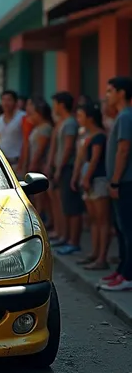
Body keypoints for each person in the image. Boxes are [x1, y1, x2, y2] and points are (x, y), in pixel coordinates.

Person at [101, 76, 132, 291]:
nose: (107, 95)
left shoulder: (126, 117)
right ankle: (122, 270)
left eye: (110, 91)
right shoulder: (121, 116)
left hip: (125, 182)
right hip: (122, 182)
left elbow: (123, 149)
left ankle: (128, 275)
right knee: (121, 229)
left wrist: (115, 181)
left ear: (121, 93)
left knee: (127, 229)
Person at [75, 102, 110, 270]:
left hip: (98, 179)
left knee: (102, 220)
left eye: (81, 115)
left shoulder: (99, 136)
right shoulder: (87, 135)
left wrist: (86, 178)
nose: (78, 119)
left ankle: (102, 257)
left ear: (90, 118)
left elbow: (95, 159)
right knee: (94, 220)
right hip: (88, 179)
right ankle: (95, 253)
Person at [51, 91, 84, 255]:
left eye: (55, 103)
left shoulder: (70, 123)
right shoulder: (63, 122)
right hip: (63, 168)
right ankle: (66, 237)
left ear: (61, 104)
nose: (54, 107)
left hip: (68, 168)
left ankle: (73, 241)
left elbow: (69, 147)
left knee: (72, 206)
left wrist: (59, 168)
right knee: (65, 205)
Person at [27, 98, 54, 225]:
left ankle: (47, 221)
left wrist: (33, 163)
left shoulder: (45, 128)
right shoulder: (38, 127)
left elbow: (40, 149)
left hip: (40, 166)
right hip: (36, 164)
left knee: (42, 196)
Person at [0, 90, 25, 167]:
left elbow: (27, 141)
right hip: (3, 163)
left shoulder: (23, 117)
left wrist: (22, 163)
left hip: (17, 162)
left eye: (9, 100)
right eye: (3, 100)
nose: (6, 103)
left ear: (16, 102)